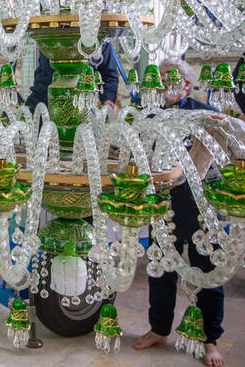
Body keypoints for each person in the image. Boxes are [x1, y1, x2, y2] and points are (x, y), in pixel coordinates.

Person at [133, 58, 225, 367]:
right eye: (159, 78)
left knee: (208, 271)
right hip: (163, 205)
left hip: (201, 206)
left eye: (169, 78)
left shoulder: (202, 113)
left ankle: (210, 340)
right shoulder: (151, 113)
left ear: (186, 84)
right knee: (160, 269)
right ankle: (159, 329)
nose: (162, 83)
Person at [25, 40, 119, 112]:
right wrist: (31, 109)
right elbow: (42, 76)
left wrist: (108, 99)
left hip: (84, 107)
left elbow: (109, 75)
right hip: (47, 105)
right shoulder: (50, 36)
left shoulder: (97, 40)